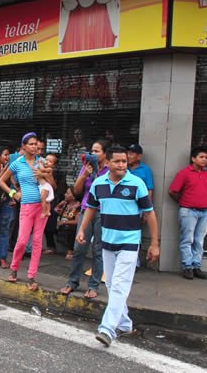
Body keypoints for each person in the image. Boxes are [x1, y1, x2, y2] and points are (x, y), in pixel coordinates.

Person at [82, 146, 159, 347]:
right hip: (107, 241)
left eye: (124, 161)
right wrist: (82, 230)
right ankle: (125, 324)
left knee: (119, 284)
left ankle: (107, 329)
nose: (122, 165)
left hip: (129, 242)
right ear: (107, 163)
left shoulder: (136, 183)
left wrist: (154, 243)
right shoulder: (98, 184)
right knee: (110, 285)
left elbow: (149, 213)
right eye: (117, 161)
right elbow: (91, 208)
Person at [0, 132, 54, 291]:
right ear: (23, 146)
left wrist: (44, 174)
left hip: (42, 207)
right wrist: (13, 194)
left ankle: (31, 276)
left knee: (37, 242)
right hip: (26, 206)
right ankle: (14, 269)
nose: (35, 146)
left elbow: (53, 185)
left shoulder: (42, 162)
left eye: (36, 144)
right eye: (31, 144)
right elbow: (2, 181)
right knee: (22, 240)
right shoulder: (17, 163)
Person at [60, 139, 111, 299]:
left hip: (103, 212)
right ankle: (72, 282)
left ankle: (93, 285)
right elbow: (76, 190)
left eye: (97, 151)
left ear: (105, 154)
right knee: (79, 247)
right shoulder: (86, 166)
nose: (93, 154)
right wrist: (85, 175)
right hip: (86, 209)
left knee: (98, 250)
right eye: (92, 151)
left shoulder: (110, 170)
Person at [169, 146, 207, 280]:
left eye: (206, 158)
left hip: (205, 212)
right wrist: (184, 203)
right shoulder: (184, 173)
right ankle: (187, 267)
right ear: (193, 158)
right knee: (187, 240)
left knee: (199, 241)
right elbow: (172, 191)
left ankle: (196, 266)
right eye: (201, 157)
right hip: (188, 211)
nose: (204, 160)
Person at [54, 186, 81, 260]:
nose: (65, 194)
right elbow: (55, 210)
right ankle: (51, 247)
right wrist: (60, 204)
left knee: (73, 229)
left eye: (67, 193)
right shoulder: (65, 203)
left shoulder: (78, 205)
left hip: (69, 225)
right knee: (49, 223)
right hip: (61, 224)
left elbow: (77, 221)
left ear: (74, 197)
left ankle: (70, 251)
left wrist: (64, 222)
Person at [37, 153, 57, 218]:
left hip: (46, 186)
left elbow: (42, 170)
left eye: (50, 161)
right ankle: (48, 211)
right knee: (46, 201)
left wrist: (39, 163)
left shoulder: (49, 169)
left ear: (53, 165)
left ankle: (44, 211)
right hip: (43, 186)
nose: (47, 162)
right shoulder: (44, 167)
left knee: (43, 199)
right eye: (46, 160)